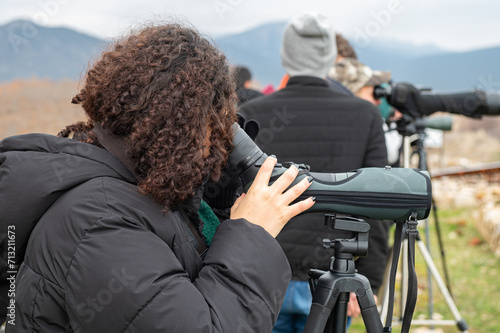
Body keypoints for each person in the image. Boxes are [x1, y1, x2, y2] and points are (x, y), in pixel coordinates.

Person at [0, 23, 316, 332]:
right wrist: (252, 234)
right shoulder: (98, 219)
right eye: (211, 125)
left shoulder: (127, 187)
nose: (214, 141)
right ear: (180, 128)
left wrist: (217, 201)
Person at [240, 12, 390, 333]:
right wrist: (370, 281)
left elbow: (232, 200)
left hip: (261, 276)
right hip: (334, 276)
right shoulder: (365, 115)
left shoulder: (251, 114)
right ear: (330, 58)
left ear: (285, 57)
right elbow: (378, 206)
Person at [330, 57, 402, 165]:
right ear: (353, 91)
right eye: (373, 94)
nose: (379, 102)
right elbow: (390, 155)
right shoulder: (362, 123)